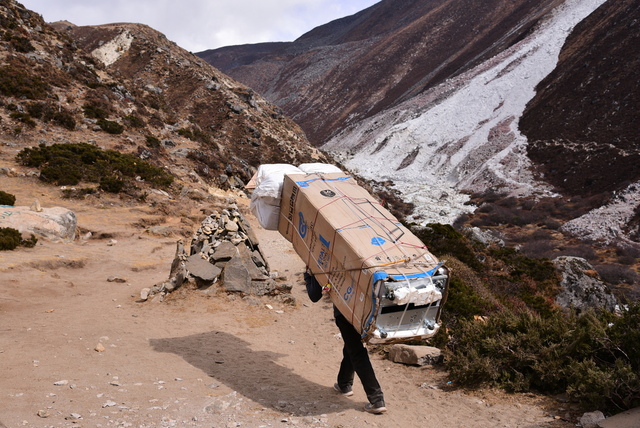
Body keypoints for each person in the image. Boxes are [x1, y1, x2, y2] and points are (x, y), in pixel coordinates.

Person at [304, 270, 387, 414]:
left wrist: (309, 274)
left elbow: (315, 295)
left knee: (356, 351)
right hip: (367, 309)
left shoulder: (320, 262)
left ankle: (377, 399)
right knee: (351, 345)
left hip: (346, 311)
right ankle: (344, 383)